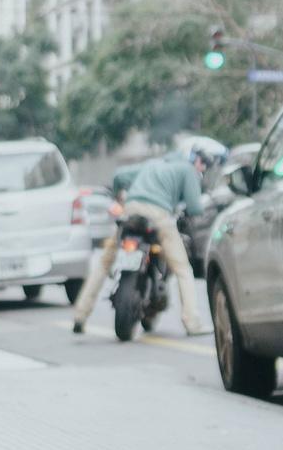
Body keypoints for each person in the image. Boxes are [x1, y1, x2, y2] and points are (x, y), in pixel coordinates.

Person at [70, 135, 212, 336]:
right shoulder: (187, 170)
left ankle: (80, 315)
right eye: (203, 162)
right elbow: (195, 206)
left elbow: (120, 175)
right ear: (192, 158)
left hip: (131, 211)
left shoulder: (153, 164)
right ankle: (192, 322)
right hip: (159, 216)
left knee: (104, 263)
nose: (204, 167)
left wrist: (120, 195)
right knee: (182, 269)